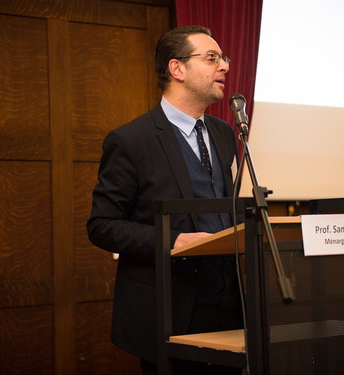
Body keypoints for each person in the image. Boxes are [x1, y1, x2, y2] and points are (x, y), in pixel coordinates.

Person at [87, 25, 243, 374]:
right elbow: (102, 226)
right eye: (212, 58)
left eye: (224, 58)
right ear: (178, 69)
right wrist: (174, 240)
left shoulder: (223, 133)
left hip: (229, 301)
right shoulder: (131, 140)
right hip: (170, 305)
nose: (225, 67)